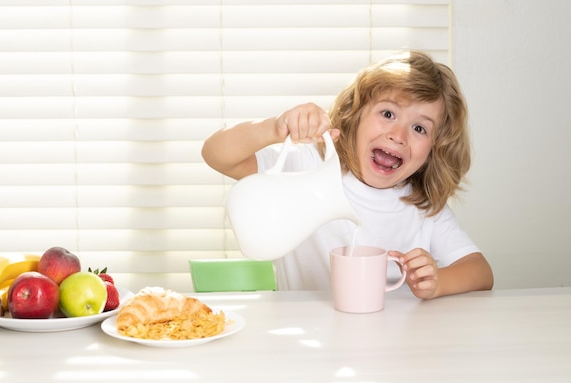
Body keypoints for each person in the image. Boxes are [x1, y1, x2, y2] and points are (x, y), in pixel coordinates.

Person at [202, 50, 494, 299]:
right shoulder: (309, 165)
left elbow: (481, 272)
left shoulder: (422, 207)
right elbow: (217, 155)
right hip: (306, 344)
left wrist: (438, 282)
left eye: (420, 128)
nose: (398, 135)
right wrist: (273, 128)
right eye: (388, 114)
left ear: (434, 148)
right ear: (356, 115)